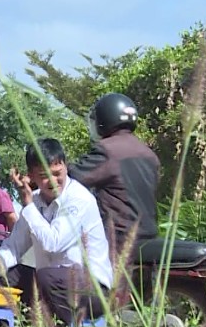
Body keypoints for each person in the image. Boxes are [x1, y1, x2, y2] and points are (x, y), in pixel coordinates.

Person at [0, 138, 113, 327]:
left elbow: (53, 242)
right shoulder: (34, 202)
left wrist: (28, 206)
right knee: (5, 274)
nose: (53, 181)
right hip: (52, 283)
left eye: (57, 174)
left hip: (93, 291)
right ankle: (15, 324)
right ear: (31, 176)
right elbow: (12, 249)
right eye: (44, 176)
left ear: (65, 167)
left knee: (47, 276)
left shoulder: (79, 199)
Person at [67, 93, 161, 265]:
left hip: (118, 239)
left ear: (103, 119)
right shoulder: (150, 155)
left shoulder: (107, 150)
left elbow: (73, 178)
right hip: (149, 235)